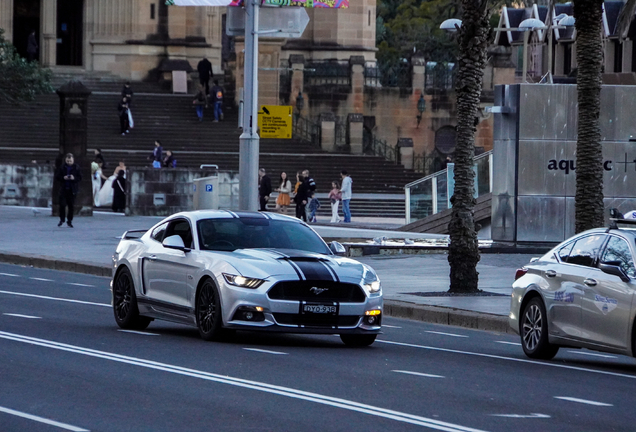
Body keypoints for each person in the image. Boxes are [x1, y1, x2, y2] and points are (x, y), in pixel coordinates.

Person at [55, 153, 82, 228]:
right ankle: (62, 219)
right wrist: (63, 178)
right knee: (62, 204)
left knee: (71, 206)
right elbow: (57, 176)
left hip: (72, 189)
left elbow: (80, 177)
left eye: (70, 161)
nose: (69, 162)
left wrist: (74, 178)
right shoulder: (62, 167)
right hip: (64, 188)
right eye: (68, 161)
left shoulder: (76, 167)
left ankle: (69, 220)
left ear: (73, 160)